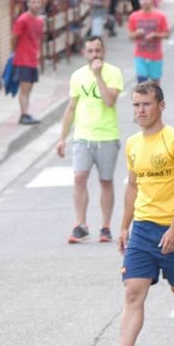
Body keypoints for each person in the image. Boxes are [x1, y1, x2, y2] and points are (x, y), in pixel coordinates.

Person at [90, 81, 174, 346]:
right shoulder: (133, 144)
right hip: (142, 228)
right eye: (136, 105)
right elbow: (133, 187)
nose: (140, 110)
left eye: (146, 104)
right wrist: (124, 226)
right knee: (132, 291)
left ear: (161, 106)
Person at [55, 35, 124, 244]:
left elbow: (109, 100)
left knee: (105, 181)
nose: (94, 54)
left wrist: (98, 76)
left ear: (104, 52)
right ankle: (80, 224)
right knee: (79, 178)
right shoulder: (77, 76)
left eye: (98, 50)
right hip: (83, 136)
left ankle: (105, 226)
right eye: (91, 51)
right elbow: (71, 107)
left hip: (107, 136)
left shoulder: (113, 73)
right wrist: (62, 138)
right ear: (85, 53)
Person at [11, 0, 46, 125]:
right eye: (32, 2)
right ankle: (23, 114)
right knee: (24, 88)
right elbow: (14, 37)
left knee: (30, 88)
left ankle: (26, 112)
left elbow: (38, 39)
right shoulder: (23, 19)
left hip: (33, 58)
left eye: (37, 2)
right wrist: (16, 51)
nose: (35, 5)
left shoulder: (39, 21)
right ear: (28, 4)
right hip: (23, 59)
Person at [129, 0, 170, 82]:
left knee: (155, 84)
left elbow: (167, 34)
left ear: (151, 0)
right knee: (142, 83)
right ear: (139, 1)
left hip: (155, 55)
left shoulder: (160, 16)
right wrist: (136, 33)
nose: (144, 1)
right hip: (140, 55)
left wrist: (155, 35)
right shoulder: (133, 16)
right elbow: (130, 37)